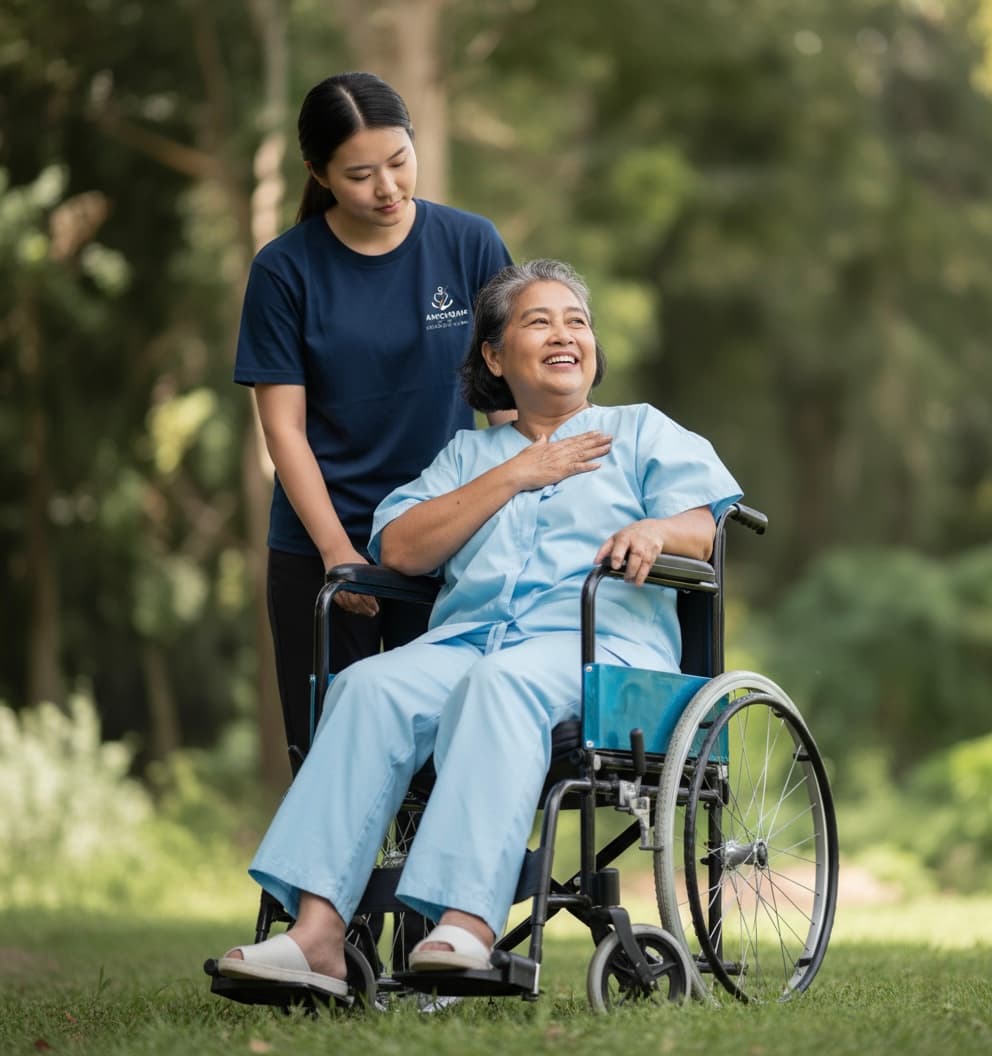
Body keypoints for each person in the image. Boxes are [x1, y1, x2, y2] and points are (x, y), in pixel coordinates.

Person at [215, 259, 742, 997]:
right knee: (368, 686)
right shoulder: (468, 456)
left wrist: (655, 530)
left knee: (502, 683)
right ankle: (317, 938)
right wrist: (520, 472)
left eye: (577, 321)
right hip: (466, 645)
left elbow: (705, 526)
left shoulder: (638, 430)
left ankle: (468, 925)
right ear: (495, 357)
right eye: (538, 321)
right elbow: (398, 547)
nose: (564, 334)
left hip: (598, 652)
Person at [234, 71, 513, 758]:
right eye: (360, 174)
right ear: (318, 173)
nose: (387, 188)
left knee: (445, 762)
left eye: (399, 162)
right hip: (321, 554)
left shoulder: (470, 245)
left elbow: (509, 411)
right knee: (334, 762)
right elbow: (284, 431)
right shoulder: (284, 272)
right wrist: (337, 554)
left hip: (446, 545)